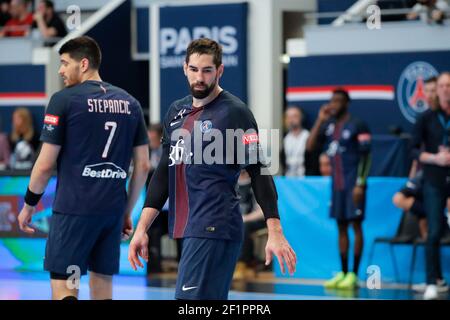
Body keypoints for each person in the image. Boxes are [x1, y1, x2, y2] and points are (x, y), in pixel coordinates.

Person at [129, 38, 296, 300]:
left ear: (219, 71)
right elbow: (164, 174)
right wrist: (142, 229)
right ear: (185, 68)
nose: (200, 77)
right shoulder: (176, 112)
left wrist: (275, 231)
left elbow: (259, 172)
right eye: (194, 69)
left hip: (215, 224)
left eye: (207, 70)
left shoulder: (235, 112)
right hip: (189, 226)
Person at [17, 36, 150, 300]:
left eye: (65, 63)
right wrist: (126, 211)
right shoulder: (131, 104)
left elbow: (44, 165)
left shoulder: (64, 100)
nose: (60, 70)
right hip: (110, 213)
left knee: (67, 287)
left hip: (74, 212)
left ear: (84, 63)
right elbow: (144, 165)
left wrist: (29, 205)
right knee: (102, 289)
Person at [306, 88, 371, 290]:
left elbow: (367, 156)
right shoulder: (329, 125)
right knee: (341, 227)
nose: (333, 104)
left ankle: (354, 274)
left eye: (338, 101)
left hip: (354, 185)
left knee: (356, 226)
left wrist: (360, 183)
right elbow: (310, 147)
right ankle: (343, 273)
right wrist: (320, 120)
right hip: (338, 186)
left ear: (346, 103)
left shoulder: (358, 124)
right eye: (331, 101)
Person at [411, 72, 450, 300]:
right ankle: (432, 281)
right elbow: (413, 150)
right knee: (433, 231)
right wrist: (434, 158)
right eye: (442, 85)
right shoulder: (425, 117)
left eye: (448, 85)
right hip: (434, 180)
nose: (445, 89)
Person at [233, 170, 266, 280]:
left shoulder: (255, 184)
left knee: (244, 226)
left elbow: (262, 212)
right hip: (236, 220)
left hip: (254, 220)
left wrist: (244, 218)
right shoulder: (232, 183)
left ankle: (242, 264)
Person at [282, 106, 310, 177]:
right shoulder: (285, 139)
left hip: (304, 178)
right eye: (288, 117)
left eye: (294, 116)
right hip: (289, 179)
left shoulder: (307, 136)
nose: (291, 120)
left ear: (301, 118)